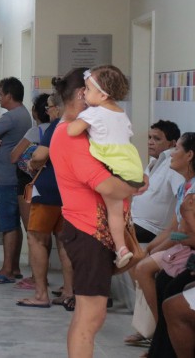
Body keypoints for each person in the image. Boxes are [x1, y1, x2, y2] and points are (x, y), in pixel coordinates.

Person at [49, 67, 141, 358]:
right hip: (89, 231)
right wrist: (134, 186)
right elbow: (107, 186)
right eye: (91, 89)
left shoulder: (90, 130)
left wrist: (130, 181)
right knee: (91, 315)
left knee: (92, 315)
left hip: (96, 231)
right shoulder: (69, 135)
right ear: (82, 94)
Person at [133, 132, 195, 356]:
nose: (171, 155)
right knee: (150, 271)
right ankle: (161, 336)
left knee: (165, 284)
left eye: (177, 150)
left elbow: (185, 234)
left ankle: (163, 339)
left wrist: (166, 244)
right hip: (187, 248)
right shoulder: (187, 186)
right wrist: (151, 248)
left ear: (190, 155)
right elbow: (173, 228)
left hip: (192, 251)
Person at [66, 65, 144, 268]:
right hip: (131, 166)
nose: (84, 93)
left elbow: (72, 131)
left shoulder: (94, 114)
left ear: (102, 95)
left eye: (88, 90)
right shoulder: (121, 112)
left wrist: (75, 120)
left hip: (114, 168)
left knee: (114, 211)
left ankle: (121, 248)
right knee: (123, 211)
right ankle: (126, 242)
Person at [16, 93, 75, 308]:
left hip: (49, 189)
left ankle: (41, 294)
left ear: (59, 108)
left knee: (37, 239)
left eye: (49, 107)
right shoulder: (80, 125)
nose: (47, 111)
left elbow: (40, 156)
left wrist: (32, 163)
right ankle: (69, 291)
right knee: (64, 242)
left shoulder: (57, 125)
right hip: (70, 192)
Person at [0, 77, 31, 284]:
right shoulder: (22, 114)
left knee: (7, 224)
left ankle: (7, 269)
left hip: (6, 179)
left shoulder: (11, 117)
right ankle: (14, 267)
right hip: (10, 177)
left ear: (9, 96)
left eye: (0, 94)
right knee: (12, 224)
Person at [9, 93, 52, 290]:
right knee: (49, 233)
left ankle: (37, 277)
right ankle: (43, 275)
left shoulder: (36, 132)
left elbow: (14, 156)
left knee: (33, 233)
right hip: (52, 185)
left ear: (36, 112)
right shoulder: (59, 129)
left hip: (29, 185)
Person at [132, 120, 184, 243]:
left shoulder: (173, 165)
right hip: (136, 223)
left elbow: (183, 198)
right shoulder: (153, 161)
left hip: (151, 230)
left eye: (157, 139)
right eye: (150, 137)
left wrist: (175, 232)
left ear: (172, 143)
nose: (150, 142)